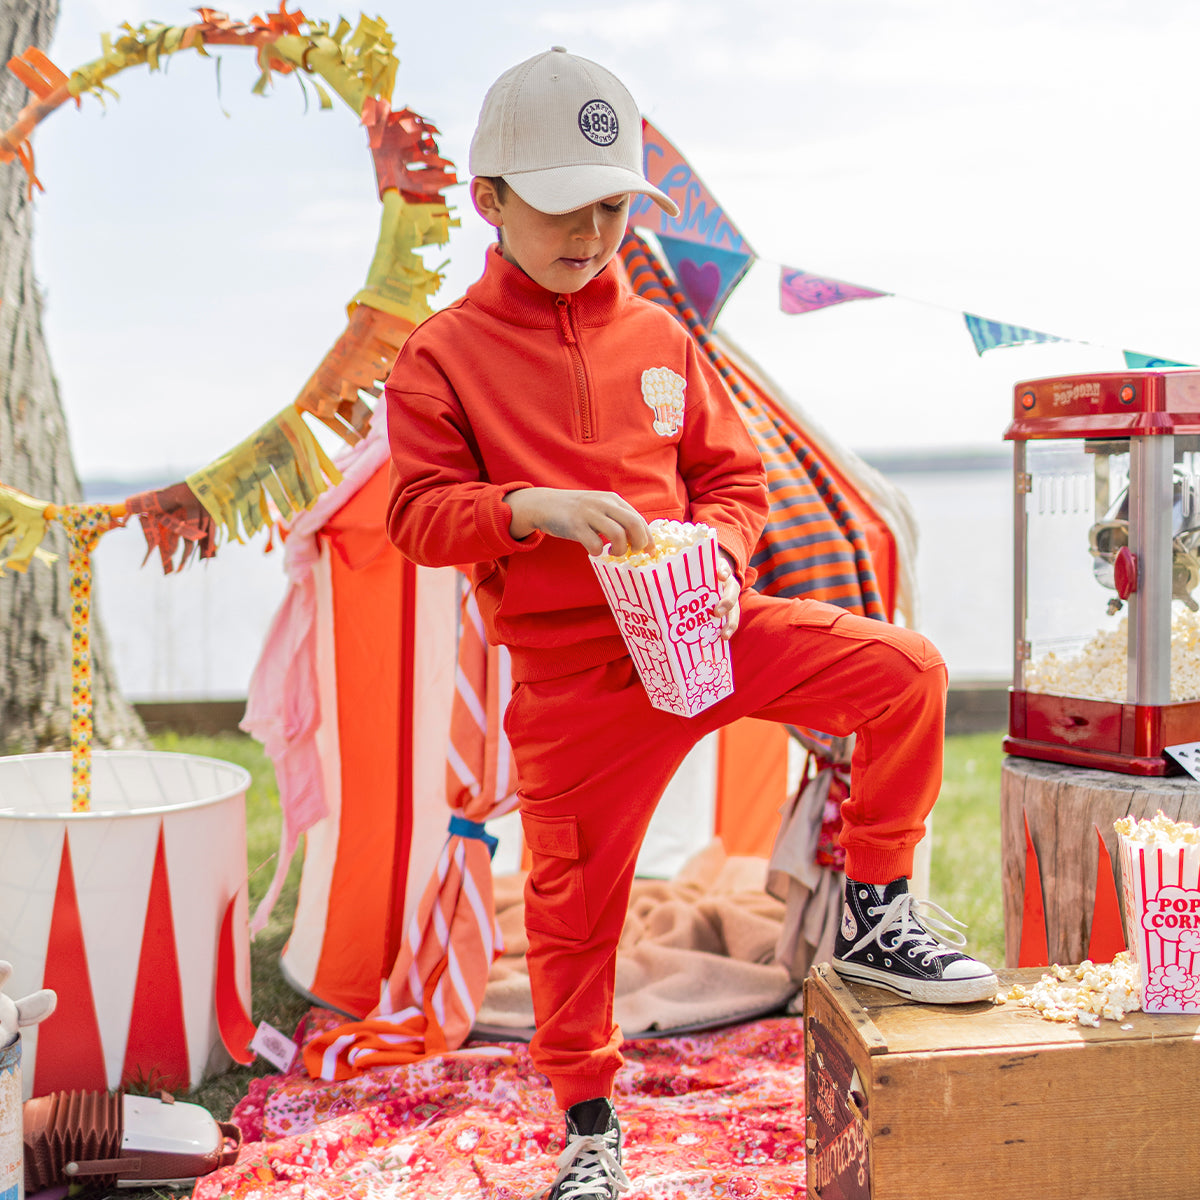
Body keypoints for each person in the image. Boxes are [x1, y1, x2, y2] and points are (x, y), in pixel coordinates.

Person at [384, 45, 997, 1200]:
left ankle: (875, 909)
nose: (594, 232)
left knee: (906, 673)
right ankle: (590, 1128)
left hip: (707, 631)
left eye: (616, 206)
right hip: (574, 684)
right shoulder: (441, 360)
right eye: (566, 207)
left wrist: (716, 547)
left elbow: (736, 479)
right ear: (491, 201)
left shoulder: (666, 341)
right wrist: (532, 509)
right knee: (575, 916)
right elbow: (417, 518)